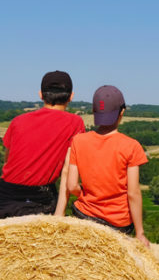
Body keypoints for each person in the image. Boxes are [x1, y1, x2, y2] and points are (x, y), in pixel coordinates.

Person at [0, 70, 87, 220]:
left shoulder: (18, 121)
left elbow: (7, 160)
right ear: (71, 96)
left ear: (41, 94)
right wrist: (60, 214)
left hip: (3, 196)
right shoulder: (75, 123)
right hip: (38, 198)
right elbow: (68, 169)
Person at [63, 84, 150, 247]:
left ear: (94, 112)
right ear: (122, 112)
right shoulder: (131, 146)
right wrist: (140, 233)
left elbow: (72, 185)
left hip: (84, 215)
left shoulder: (78, 141)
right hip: (117, 223)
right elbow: (133, 193)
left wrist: (84, 195)